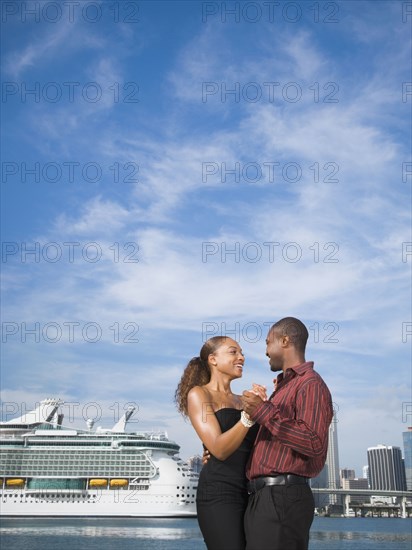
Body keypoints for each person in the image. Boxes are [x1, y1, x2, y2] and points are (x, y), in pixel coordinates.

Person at [242, 317, 333, 550]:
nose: (265, 351)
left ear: (284, 341)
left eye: (268, 343)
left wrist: (262, 410)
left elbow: (313, 442)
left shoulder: (310, 384)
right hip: (265, 498)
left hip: (281, 497)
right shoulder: (283, 388)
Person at [175, 336, 262, 550]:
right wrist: (249, 418)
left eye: (242, 353)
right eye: (233, 352)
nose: (241, 357)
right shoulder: (199, 394)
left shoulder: (245, 401)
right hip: (219, 494)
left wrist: (268, 406)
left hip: (252, 493)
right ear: (213, 359)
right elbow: (219, 449)